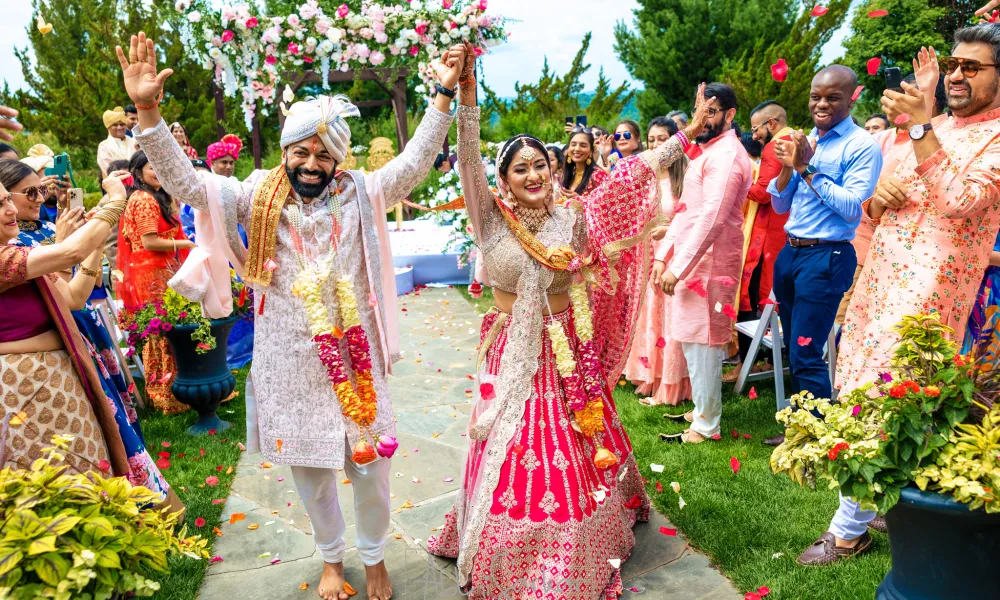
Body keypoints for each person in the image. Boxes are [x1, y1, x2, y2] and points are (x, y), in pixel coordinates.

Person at [117, 30, 462, 600]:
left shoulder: (361, 191)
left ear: (339, 158)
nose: (311, 162)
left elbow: (416, 162)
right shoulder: (255, 194)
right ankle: (332, 559)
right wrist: (149, 114)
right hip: (288, 355)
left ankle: (373, 558)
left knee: (372, 471)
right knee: (312, 472)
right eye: (301, 151)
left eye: (324, 153)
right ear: (284, 152)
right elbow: (188, 184)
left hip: (354, 350)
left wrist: (444, 96)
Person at [427, 45, 704, 598]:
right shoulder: (490, 216)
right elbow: (466, 148)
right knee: (507, 442)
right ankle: (498, 544)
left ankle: (570, 548)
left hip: (563, 351)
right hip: (510, 351)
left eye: (540, 165)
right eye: (519, 167)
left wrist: (684, 135)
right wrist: (465, 91)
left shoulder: (572, 216)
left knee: (567, 441)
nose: (533, 174)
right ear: (501, 179)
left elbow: (629, 176)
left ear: (554, 171)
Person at [805, 35, 1000, 566]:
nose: (957, 75)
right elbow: (878, 203)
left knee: (883, 393)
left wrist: (919, 126)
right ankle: (888, 504)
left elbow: (959, 200)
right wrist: (877, 200)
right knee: (871, 384)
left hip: (931, 292)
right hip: (881, 278)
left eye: (972, 67)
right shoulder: (935, 129)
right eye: (952, 65)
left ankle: (847, 529)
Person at [1, 159, 174, 504]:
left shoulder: (19, 252)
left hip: (59, 377)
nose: (9, 209)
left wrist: (95, 248)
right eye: (1, 204)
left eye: (7, 200)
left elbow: (75, 297)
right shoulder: (8, 260)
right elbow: (69, 251)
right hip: (21, 387)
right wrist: (115, 202)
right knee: (45, 478)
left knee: (85, 464)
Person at [763, 65, 882, 446]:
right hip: (791, 253)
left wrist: (804, 166)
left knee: (808, 349)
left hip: (827, 255)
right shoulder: (807, 138)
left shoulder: (861, 145)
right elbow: (780, 204)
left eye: (832, 97)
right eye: (816, 96)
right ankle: (801, 428)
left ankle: (815, 438)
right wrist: (787, 168)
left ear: (852, 98)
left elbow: (852, 208)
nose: (822, 103)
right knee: (792, 344)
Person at [652, 83, 754, 444]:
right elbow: (685, 212)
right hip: (690, 258)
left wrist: (679, 267)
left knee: (706, 342)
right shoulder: (705, 152)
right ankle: (701, 409)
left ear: (730, 115)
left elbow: (712, 218)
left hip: (711, 264)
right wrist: (665, 256)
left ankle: (707, 426)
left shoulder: (728, 155)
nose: (703, 118)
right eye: (699, 110)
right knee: (692, 339)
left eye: (710, 111)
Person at [117, 151, 196, 414]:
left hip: (159, 269)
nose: (159, 173)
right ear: (138, 172)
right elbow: (149, 241)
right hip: (151, 273)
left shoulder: (154, 196)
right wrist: (186, 243)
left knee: (167, 327)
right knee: (160, 329)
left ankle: (175, 388)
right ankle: (164, 395)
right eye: (153, 168)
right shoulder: (143, 199)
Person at [624, 116, 691, 405]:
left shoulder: (686, 175)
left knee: (671, 317)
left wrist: (670, 228)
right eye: (651, 140)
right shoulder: (645, 175)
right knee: (650, 315)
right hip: (646, 253)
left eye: (662, 139)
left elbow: (692, 218)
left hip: (675, 254)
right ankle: (649, 373)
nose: (655, 145)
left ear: (675, 141)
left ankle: (672, 381)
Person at [726, 101, 793, 382]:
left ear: (773, 124)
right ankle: (773, 361)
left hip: (771, 236)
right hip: (786, 232)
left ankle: (751, 361)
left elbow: (765, 192)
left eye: (756, 129)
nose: (753, 136)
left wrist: (736, 186)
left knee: (753, 297)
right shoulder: (797, 139)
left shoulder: (774, 146)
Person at [562, 127, 609, 197]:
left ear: (591, 151)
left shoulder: (598, 175)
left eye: (583, 145)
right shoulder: (570, 173)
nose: (577, 149)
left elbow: (605, 204)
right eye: (573, 144)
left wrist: (579, 199)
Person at [97, 106, 137, 178]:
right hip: (116, 183)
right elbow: (109, 169)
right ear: (108, 127)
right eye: (115, 125)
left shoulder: (134, 142)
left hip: (137, 183)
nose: (119, 128)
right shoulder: (104, 146)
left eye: (122, 124)